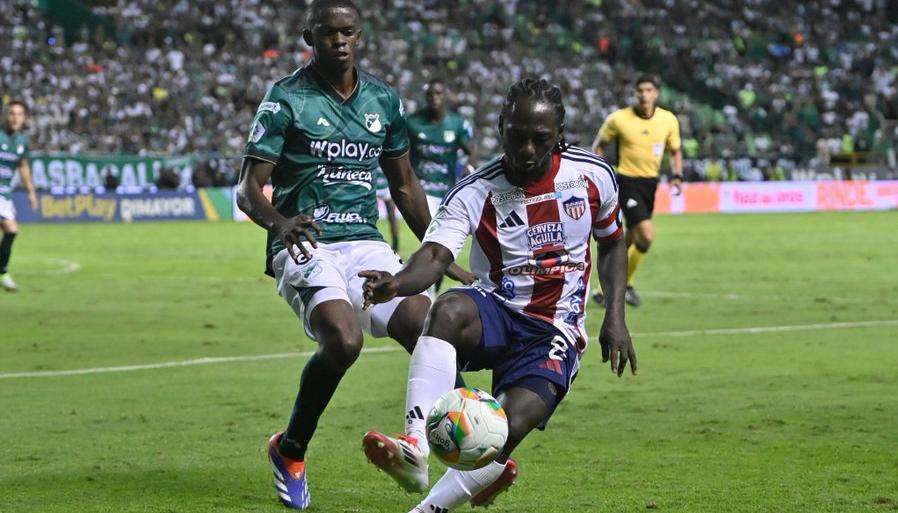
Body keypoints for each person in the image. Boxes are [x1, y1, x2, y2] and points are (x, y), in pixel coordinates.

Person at [359, 78, 637, 513]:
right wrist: (399, 282)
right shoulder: (475, 190)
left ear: (559, 133)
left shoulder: (592, 176)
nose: (526, 149)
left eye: (539, 139)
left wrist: (615, 317)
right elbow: (434, 255)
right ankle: (414, 446)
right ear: (500, 126)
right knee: (447, 308)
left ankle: (428, 509)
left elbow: (613, 241)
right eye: (516, 136)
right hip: (498, 309)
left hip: (554, 330)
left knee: (498, 434)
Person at [235, 1, 472, 508]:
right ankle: (290, 449)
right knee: (343, 341)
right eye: (327, 33)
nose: (338, 41)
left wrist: (440, 252)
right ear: (309, 37)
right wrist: (279, 223)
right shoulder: (285, 99)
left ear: (359, 36)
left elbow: (405, 185)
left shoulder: (383, 100)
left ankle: (477, 437)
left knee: (427, 322)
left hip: (365, 241)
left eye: (347, 32)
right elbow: (247, 189)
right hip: (306, 242)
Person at [591, 75, 683, 307]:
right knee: (646, 235)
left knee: (629, 239)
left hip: (650, 184)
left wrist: (677, 175)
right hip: (627, 182)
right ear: (634, 93)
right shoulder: (618, 119)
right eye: (640, 90)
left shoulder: (668, 120)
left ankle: (604, 288)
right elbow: (599, 146)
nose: (644, 94)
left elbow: (675, 150)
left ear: (656, 93)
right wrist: (603, 174)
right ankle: (625, 285)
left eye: (649, 89)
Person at [404, 79, 476, 289]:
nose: (434, 98)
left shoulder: (458, 124)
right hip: (420, 190)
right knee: (430, 241)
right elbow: (402, 153)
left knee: (435, 244)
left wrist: (469, 166)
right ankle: (428, 284)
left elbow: (471, 150)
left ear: (445, 96)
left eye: (438, 93)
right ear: (425, 97)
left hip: (444, 192)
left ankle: (432, 285)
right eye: (430, 94)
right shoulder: (412, 123)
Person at [0, 101, 38, 292]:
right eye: (12, 113)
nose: (15, 117)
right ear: (5, 116)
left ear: (24, 118)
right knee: (11, 228)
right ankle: (2, 273)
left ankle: (2, 272)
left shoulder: (22, 141)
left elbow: (23, 167)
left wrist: (31, 192)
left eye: (19, 114)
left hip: (4, 193)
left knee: (11, 230)